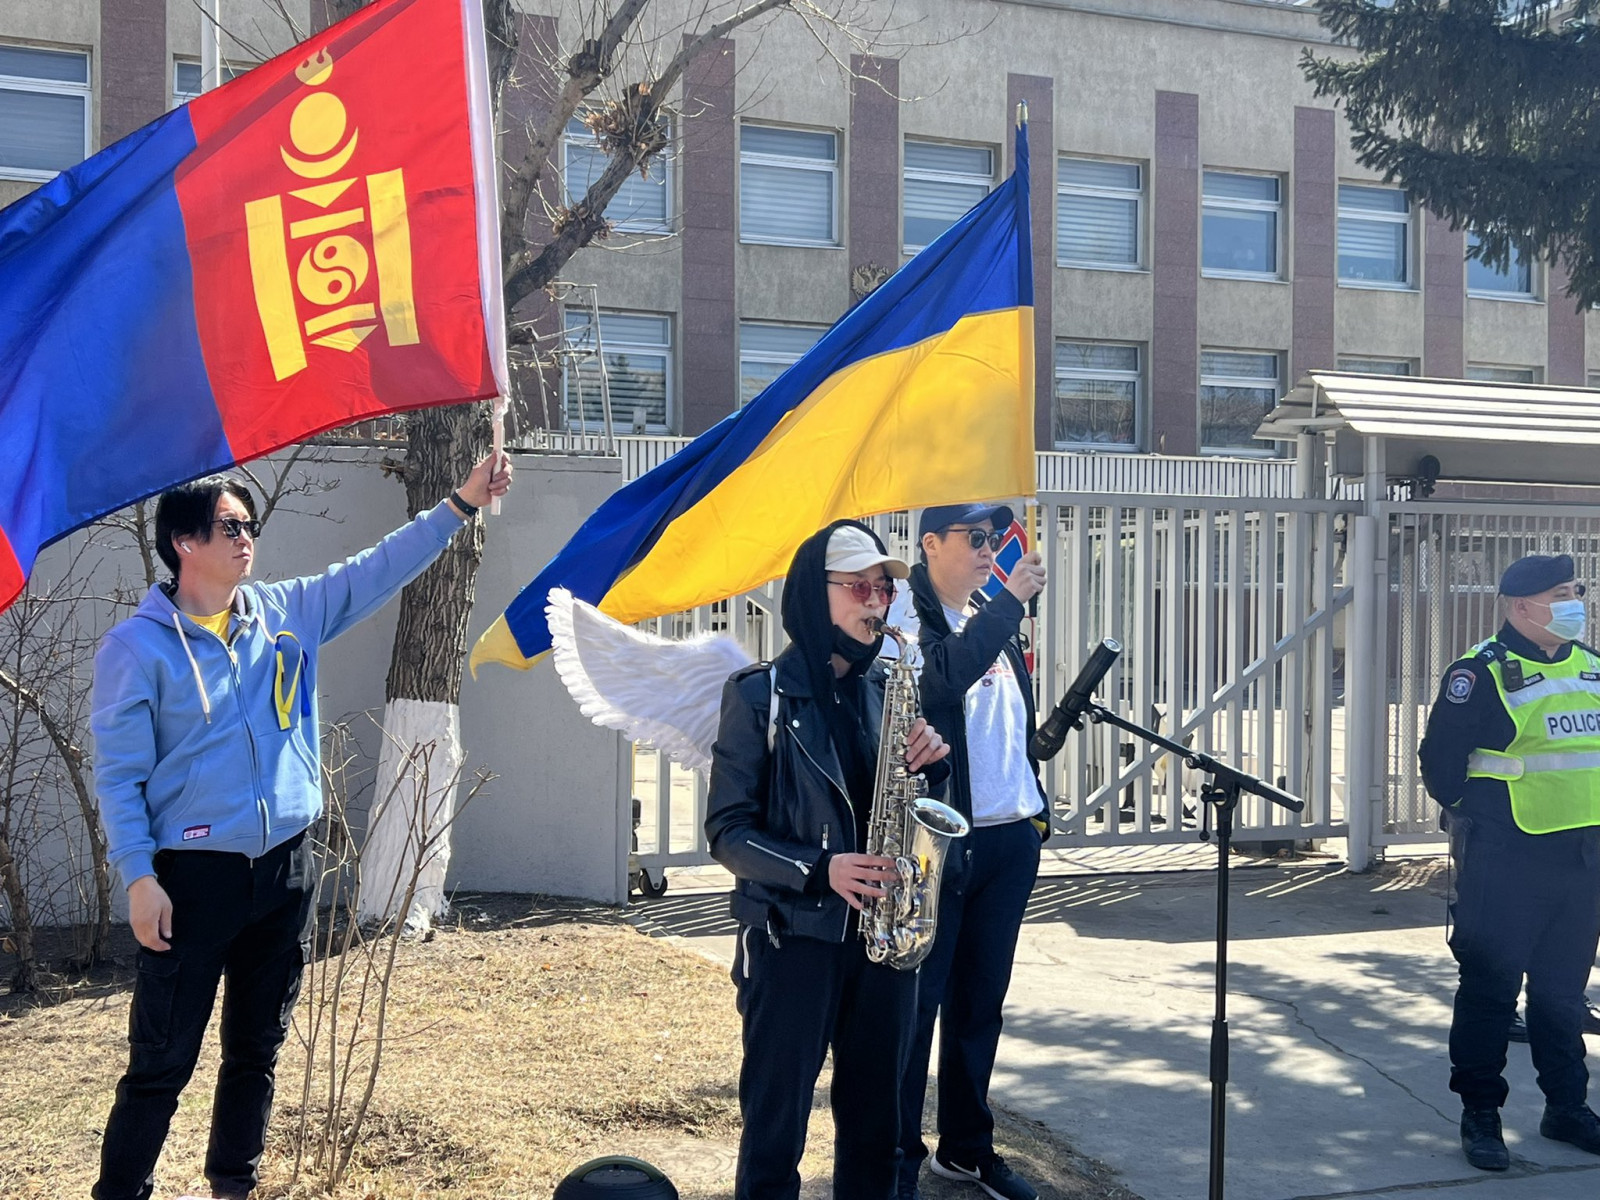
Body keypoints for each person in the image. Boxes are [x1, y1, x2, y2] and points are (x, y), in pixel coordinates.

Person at [91, 451, 512, 1200]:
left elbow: (378, 568)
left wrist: (460, 504)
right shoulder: (137, 649)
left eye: (250, 524)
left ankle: (234, 1185)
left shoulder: (286, 614)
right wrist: (139, 877)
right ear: (184, 542)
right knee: (162, 1062)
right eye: (228, 525)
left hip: (286, 868)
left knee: (256, 1050)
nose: (246, 538)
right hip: (193, 881)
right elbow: (120, 777)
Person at [705, 519, 952, 1200]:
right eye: (860, 587)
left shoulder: (888, 691)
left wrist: (933, 771)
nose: (877, 602)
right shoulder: (759, 695)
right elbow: (727, 831)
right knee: (775, 1125)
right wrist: (820, 870)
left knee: (879, 1130)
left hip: (882, 945)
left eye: (883, 589)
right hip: (792, 939)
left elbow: (914, 811)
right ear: (816, 597)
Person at [1418, 553, 1600, 1172]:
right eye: (1563, 593)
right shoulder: (1481, 672)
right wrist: (1479, 819)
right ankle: (1481, 1115)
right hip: (1508, 856)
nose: (1576, 601)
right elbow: (1440, 760)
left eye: (1576, 590)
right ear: (1521, 608)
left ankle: (1567, 1108)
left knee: (1560, 995)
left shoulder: (1593, 668)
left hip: (1582, 860)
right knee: (1491, 991)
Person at [897, 502, 1048, 1200]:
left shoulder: (993, 613)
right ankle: (897, 1151)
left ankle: (964, 1149)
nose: (992, 551)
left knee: (980, 1005)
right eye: (976, 538)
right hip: (942, 845)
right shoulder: (907, 618)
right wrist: (1010, 606)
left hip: (1008, 837)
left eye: (997, 539)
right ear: (930, 543)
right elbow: (939, 680)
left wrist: (1033, 809)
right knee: (917, 1005)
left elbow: (1012, 719)